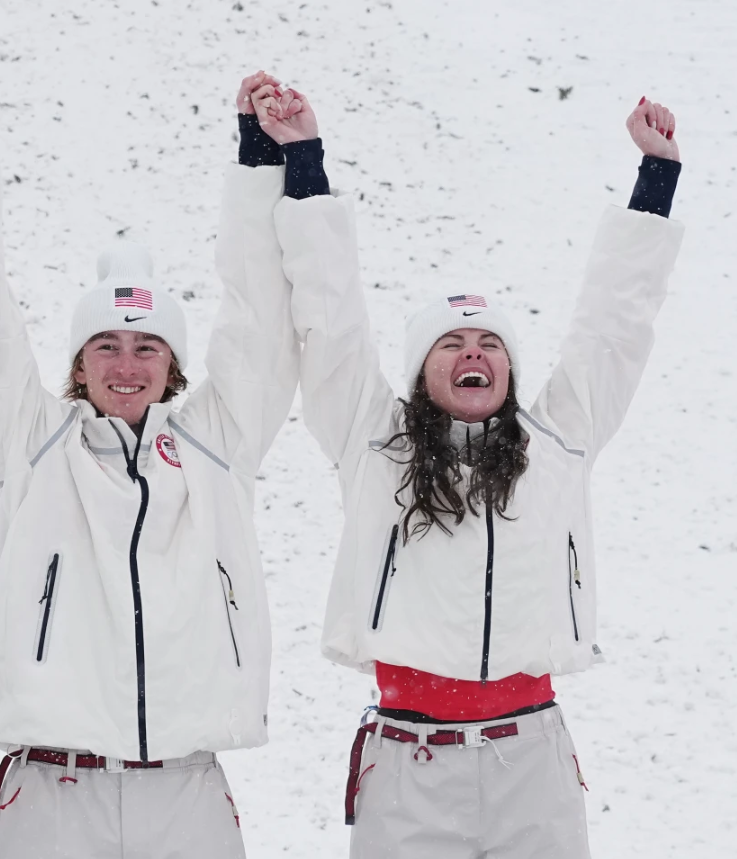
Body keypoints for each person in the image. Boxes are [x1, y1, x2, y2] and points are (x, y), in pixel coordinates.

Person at [0, 67, 317, 859]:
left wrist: (260, 160)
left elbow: (259, 314)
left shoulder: (217, 444)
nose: (125, 365)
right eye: (106, 345)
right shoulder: (33, 441)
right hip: (52, 795)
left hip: (185, 790)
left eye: (146, 347)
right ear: (78, 361)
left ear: (172, 364)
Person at [280, 92, 684, 858]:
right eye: (451, 343)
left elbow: (613, 328)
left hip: (529, 756)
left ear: (507, 366)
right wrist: (303, 162)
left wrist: (653, 181)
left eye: (488, 342)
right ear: (419, 370)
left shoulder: (557, 439)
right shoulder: (373, 443)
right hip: (408, 760)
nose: (473, 353)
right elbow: (328, 318)